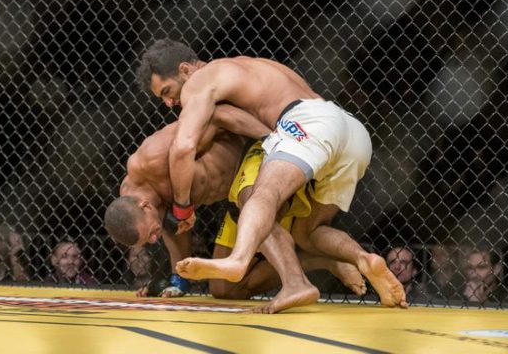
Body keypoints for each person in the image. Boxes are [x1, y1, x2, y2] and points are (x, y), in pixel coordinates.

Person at [137, 38, 407, 308]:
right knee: (308, 232)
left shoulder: (200, 81)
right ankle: (364, 259)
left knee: (261, 194)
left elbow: (184, 146)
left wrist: (182, 207)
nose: (170, 103)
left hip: (305, 124)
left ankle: (241, 261)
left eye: (167, 91)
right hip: (351, 133)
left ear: (185, 70)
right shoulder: (247, 66)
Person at [105, 114, 400, 312]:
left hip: (255, 163)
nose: (154, 238)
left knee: (256, 207)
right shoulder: (135, 201)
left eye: (149, 233)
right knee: (223, 290)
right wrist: (177, 281)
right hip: (233, 196)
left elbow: (216, 117)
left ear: (144, 206)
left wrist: (271, 136)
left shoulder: (154, 158)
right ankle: (324, 262)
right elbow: (172, 229)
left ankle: (296, 283)